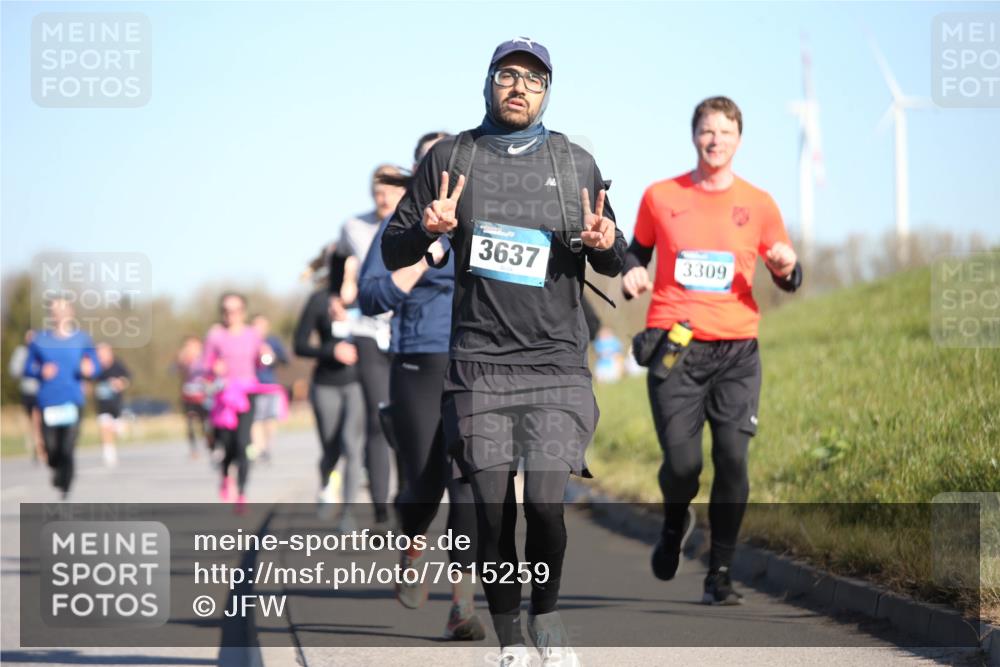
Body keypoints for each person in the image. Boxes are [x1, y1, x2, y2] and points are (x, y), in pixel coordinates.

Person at [383, 38, 625, 667]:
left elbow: (614, 253)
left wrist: (605, 240)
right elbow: (393, 252)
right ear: (488, 83)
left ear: (548, 92)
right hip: (478, 365)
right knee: (490, 513)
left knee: (545, 505)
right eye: (508, 75)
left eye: (534, 80)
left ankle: (545, 616)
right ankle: (511, 643)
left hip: (555, 362)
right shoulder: (450, 158)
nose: (520, 87)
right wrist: (426, 228)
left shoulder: (575, 163)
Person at [622, 96, 802, 605]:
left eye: (725, 131)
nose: (715, 139)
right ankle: (674, 523)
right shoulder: (660, 196)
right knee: (682, 466)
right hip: (675, 345)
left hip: (737, 351)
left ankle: (720, 572)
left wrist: (788, 268)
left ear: (739, 139)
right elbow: (637, 251)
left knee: (732, 460)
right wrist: (632, 270)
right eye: (707, 130)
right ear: (694, 135)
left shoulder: (761, 204)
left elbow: (788, 275)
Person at [359, 131, 486, 641]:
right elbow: (370, 297)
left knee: (470, 487)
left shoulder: (486, 223)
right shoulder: (400, 226)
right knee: (426, 485)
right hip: (418, 362)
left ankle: (462, 604)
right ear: (421, 176)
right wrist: (422, 257)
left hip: (478, 364)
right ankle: (412, 542)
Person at [334, 164, 407, 526]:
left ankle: (405, 495)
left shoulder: (419, 223)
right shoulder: (354, 227)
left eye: (391, 190)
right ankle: (380, 507)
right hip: (367, 329)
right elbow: (339, 265)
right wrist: (337, 295)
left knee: (408, 420)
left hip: (408, 329)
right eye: (378, 191)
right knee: (379, 418)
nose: (384, 197)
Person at [294, 247, 365, 531]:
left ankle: (349, 513)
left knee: (352, 445)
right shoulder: (318, 300)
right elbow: (299, 345)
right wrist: (331, 349)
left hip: (358, 383)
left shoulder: (366, 297)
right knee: (331, 447)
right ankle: (326, 479)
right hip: (325, 384)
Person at [202, 292, 275, 510]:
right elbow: (204, 365)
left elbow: (263, 362)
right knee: (228, 443)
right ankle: (225, 475)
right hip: (224, 395)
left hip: (247, 392)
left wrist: (266, 355)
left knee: (244, 443)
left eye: (235, 310)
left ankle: (242, 492)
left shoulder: (253, 334)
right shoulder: (215, 335)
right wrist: (213, 369)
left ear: (243, 312)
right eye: (226, 311)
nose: (230, 315)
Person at [24, 297, 101, 499]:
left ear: (71, 312)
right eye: (55, 309)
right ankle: (57, 471)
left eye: (63, 308)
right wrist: (40, 371)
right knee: (51, 450)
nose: (58, 312)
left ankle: (65, 484)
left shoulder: (82, 339)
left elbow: (96, 366)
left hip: (73, 401)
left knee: (67, 447)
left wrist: (89, 369)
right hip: (48, 401)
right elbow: (27, 368)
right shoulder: (39, 339)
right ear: (51, 314)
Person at [250, 314, 290, 463]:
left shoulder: (273, 341)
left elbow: (286, 360)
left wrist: (273, 357)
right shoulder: (247, 341)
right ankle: (258, 448)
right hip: (253, 386)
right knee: (256, 419)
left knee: (270, 419)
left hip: (271, 386)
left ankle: (267, 447)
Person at [93, 343, 132, 467]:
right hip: (101, 404)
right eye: (99, 353)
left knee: (114, 428)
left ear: (110, 352)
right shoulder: (95, 367)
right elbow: (87, 379)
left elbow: (128, 378)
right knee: (104, 427)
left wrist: (121, 383)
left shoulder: (117, 365)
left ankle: (120, 426)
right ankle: (109, 453)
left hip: (116, 404)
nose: (101, 355)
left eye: (104, 352)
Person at [175, 335, 213, 459]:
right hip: (189, 395)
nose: (190, 348)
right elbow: (178, 370)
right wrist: (183, 357)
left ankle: (210, 444)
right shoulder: (185, 360)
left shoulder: (205, 358)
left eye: (193, 345)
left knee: (205, 423)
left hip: (203, 395)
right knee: (190, 423)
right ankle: (194, 449)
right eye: (188, 345)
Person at [8, 330, 43, 463]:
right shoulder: (21, 352)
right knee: (33, 420)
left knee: (37, 418)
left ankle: (40, 447)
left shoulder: (42, 352)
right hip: (28, 391)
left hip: (42, 392)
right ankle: (35, 443)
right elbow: (13, 371)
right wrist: (28, 368)